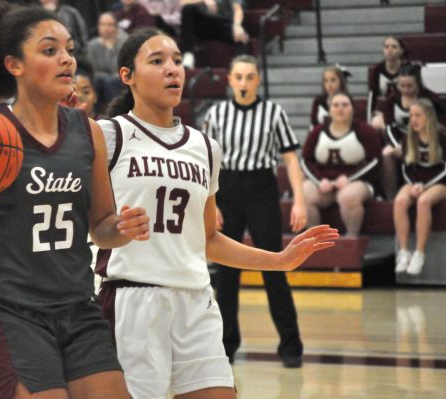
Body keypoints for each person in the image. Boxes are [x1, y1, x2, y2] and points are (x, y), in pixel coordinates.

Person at [0, 3, 151, 398]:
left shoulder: (89, 134)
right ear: (14, 65)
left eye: (69, 49)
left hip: (77, 308)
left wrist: (121, 228)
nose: (67, 59)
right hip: (8, 311)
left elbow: (101, 227)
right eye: (50, 50)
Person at [96, 28, 338, 398]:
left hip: (195, 300)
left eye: (177, 60)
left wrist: (280, 260)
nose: (173, 69)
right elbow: (85, 217)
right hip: (132, 299)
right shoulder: (107, 135)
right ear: (127, 76)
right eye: (157, 61)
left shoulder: (205, 147)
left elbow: (206, 239)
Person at [202, 54, 308, 369]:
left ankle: (291, 347)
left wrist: (299, 200)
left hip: (262, 188)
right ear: (230, 80)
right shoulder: (216, 114)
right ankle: (225, 347)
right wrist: (212, 203)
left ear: (258, 80)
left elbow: (291, 159)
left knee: (275, 268)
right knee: (227, 274)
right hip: (227, 189)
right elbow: (206, 160)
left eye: (250, 76)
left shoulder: (274, 113)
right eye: (239, 77)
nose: (244, 82)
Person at [302, 92, 383, 237]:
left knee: (348, 196)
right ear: (329, 109)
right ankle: (315, 240)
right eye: (336, 105)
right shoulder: (318, 131)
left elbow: (375, 161)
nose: (340, 109)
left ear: (353, 108)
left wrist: (349, 178)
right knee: (304, 193)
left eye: (345, 105)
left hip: (358, 181)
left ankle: (351, 240)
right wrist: (319, 180)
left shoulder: (365, 131)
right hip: (324, 182)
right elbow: (305, 160)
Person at [371, 64, 443, 199]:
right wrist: (398, 145)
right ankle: (390, 197)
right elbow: (389, 127)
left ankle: (429, 186)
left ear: (418, 84)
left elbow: (436, 126)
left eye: (410, 86)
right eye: (401, 86)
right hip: (400, 140)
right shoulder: (391, 100)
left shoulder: (430, 99)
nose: (405, 90)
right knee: (387, 156)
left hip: (425, 140)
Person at [393, 99, 446, 275]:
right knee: (400, 201)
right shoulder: (409, 137)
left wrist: (425, 186)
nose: (413, 120)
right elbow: (405, 167)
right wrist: (414, 184)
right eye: (411, 116)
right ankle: (404, 251)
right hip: (415, 180)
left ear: (429, 117)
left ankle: (419, 253)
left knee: (423, 202)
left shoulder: (441, 136)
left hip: (438, 182)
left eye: (418, 115)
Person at [180, 0, 249, 69]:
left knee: (241, 33)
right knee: (188, 9)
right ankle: (188, 54)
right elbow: (183, 2)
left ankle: (241, 64)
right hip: (202, 24)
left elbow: (238, 9)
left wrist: (237, 26)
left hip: (223, 23)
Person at [86, 12, 128, 112]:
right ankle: (95, 113)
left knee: (110, 81)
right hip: (99, 80)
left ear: (116, 27)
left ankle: (114, 112)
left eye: (110, 25)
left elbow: (119, 67)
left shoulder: (124, 42)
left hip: (119, 79)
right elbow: (92, 69)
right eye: (103, 24)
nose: (106, 28)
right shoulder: (92, 45)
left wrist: (110, 48)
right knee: (98, 80)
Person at [368, 36, 409, 115]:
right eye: (386, 47)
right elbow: (372, 97)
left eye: (394, 47)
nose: (390, 50)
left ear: (401, 50)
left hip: (405, 109)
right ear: (383, 50)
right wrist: (371, 115)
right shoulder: (377, 70)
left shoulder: (408, 69)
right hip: (384, 111)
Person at [310, 64, 351, 130]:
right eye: (326, 81)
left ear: (340, 81)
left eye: (333, 80)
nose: (329, 84)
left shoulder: (347, 100)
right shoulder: (318, 101)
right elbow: (314, 123)